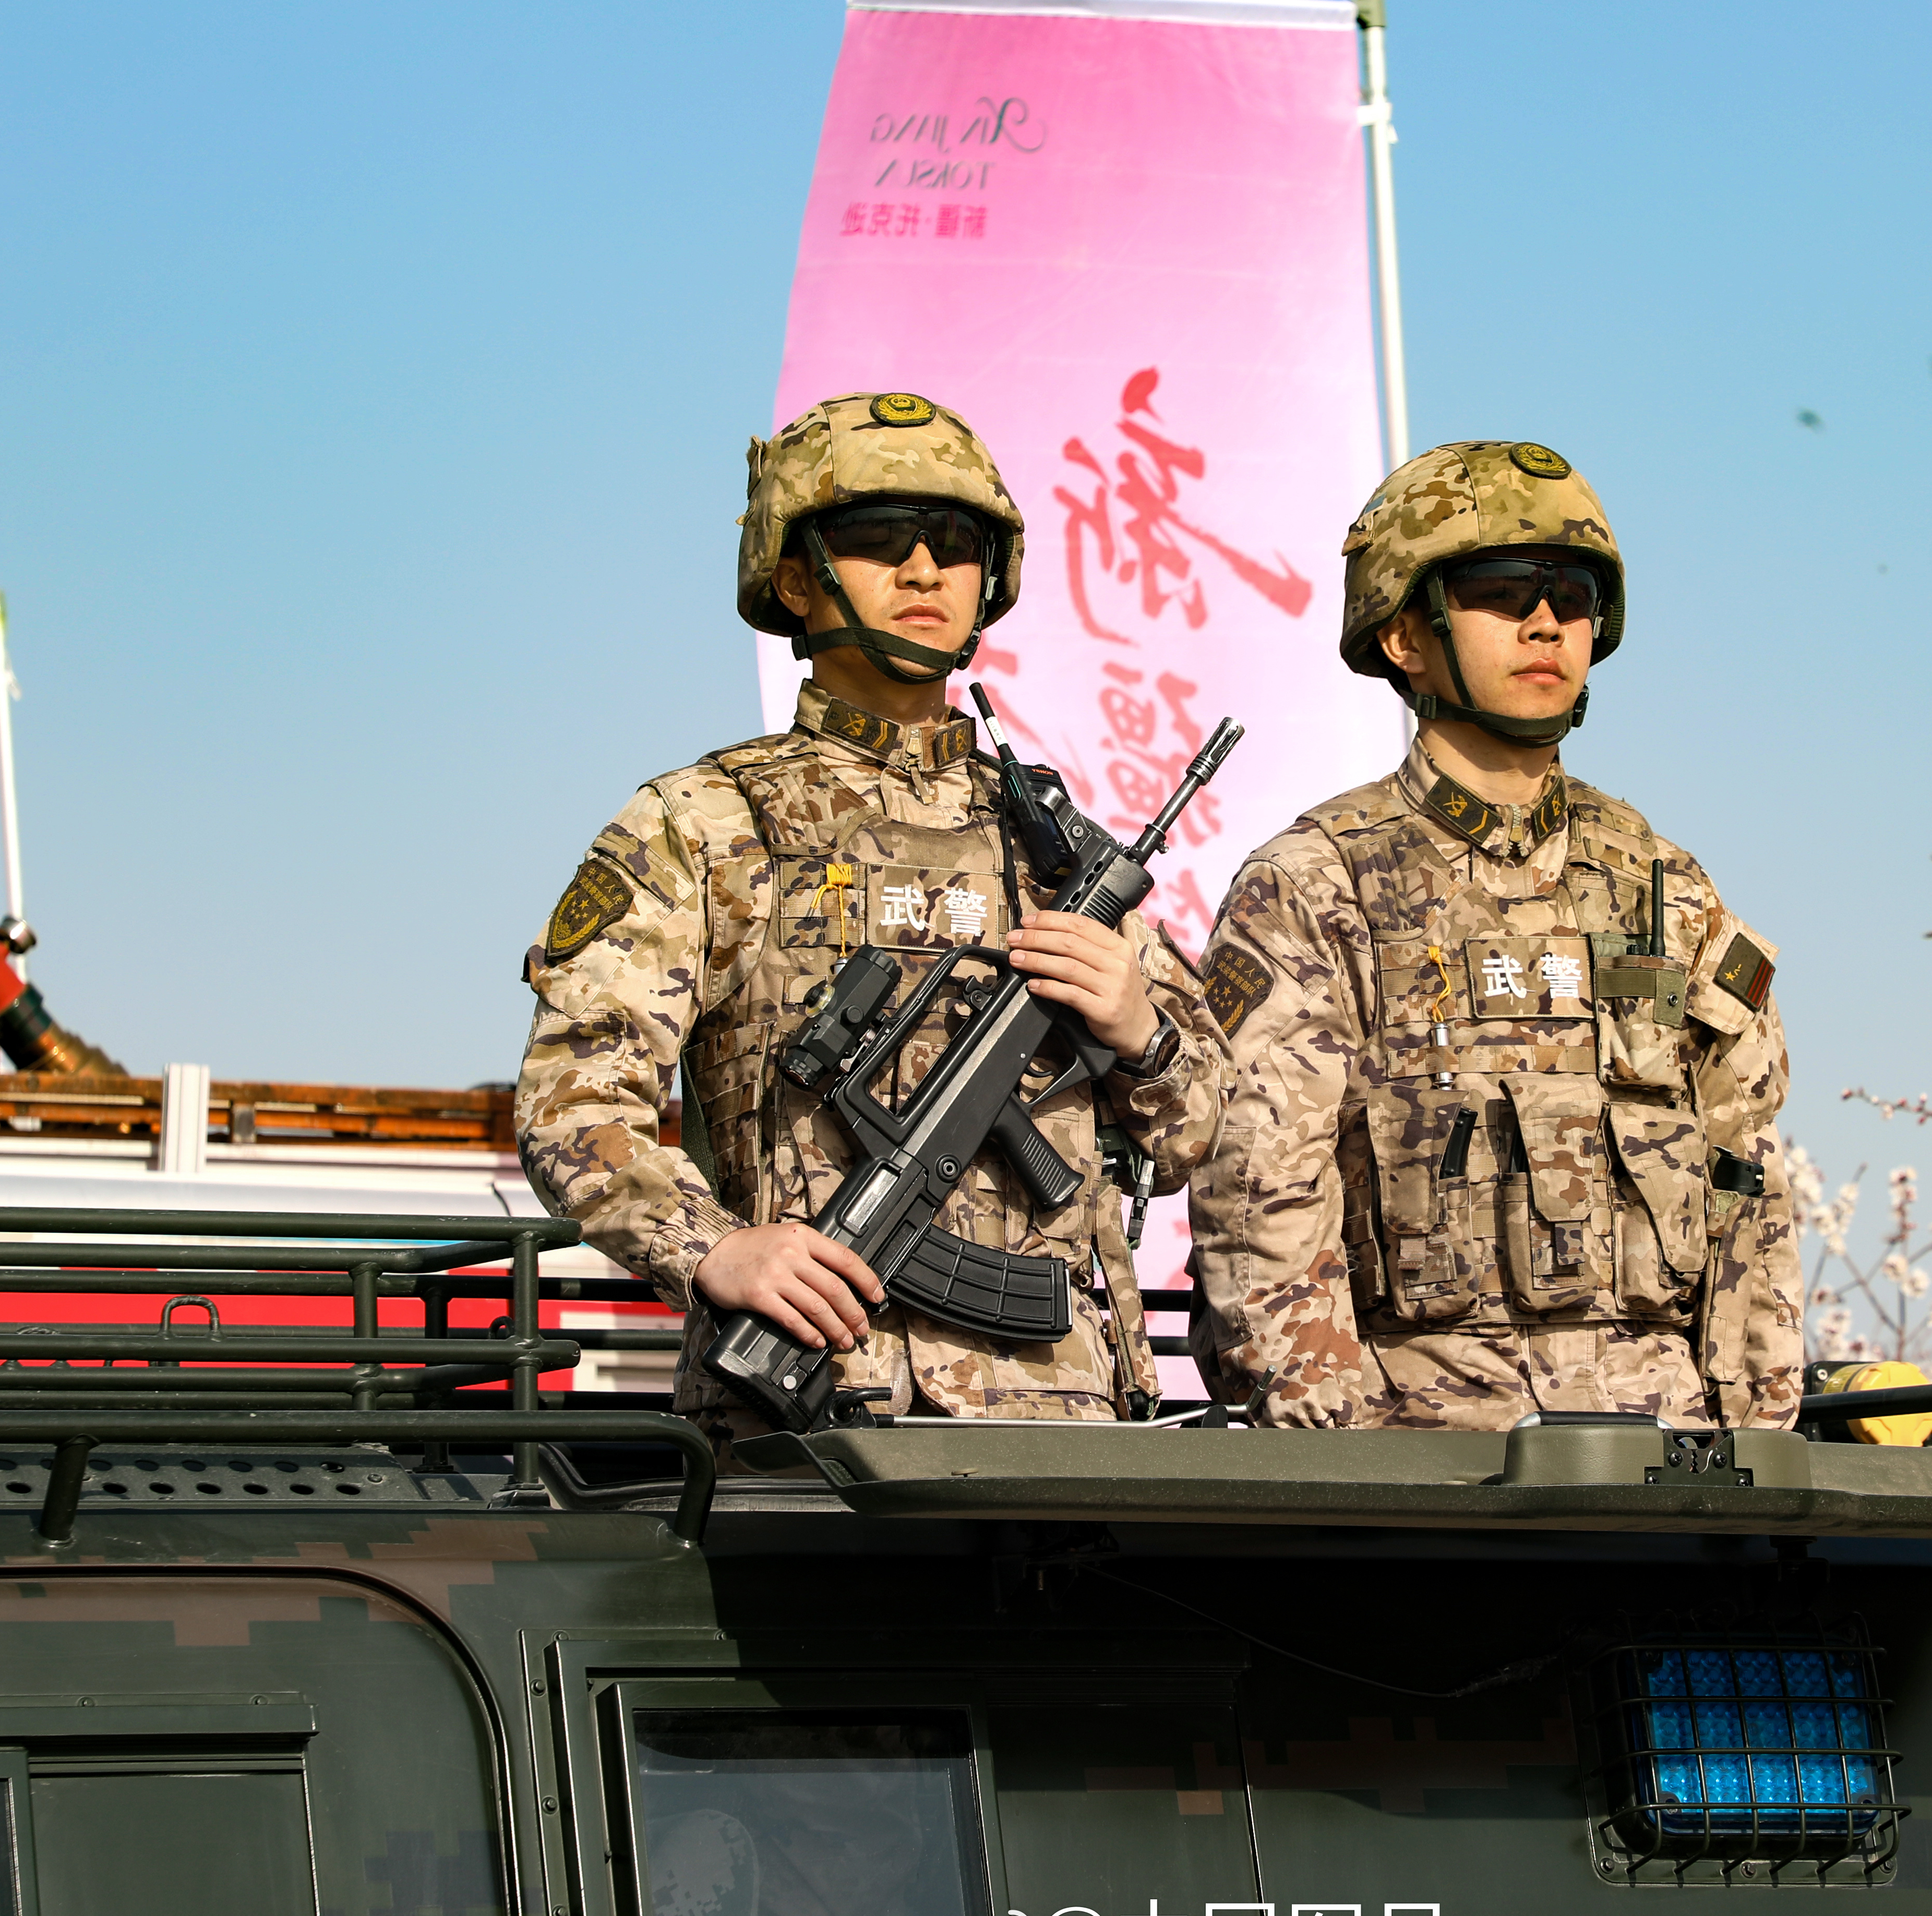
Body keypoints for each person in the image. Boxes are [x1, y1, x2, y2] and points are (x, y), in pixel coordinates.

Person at [514, 391, 1224, 1425]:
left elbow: (1209, 1129)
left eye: (957, 541)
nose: (926, 569)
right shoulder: (705, 821)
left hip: (1062, 1423)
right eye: (878, 538)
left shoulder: (1046, 842)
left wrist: (1144, 1033)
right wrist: (709, 1244)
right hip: (811, 1411)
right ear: (798, 575)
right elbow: (571, 1101)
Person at [1187, 438, 1803, 1428]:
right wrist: (1348, 1480)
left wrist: (1754, 1448)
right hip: (1429, 1481)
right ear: (1406, 637)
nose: (1548, 620)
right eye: (1502, 590)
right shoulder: (1316, 884)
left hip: (1662, 1472)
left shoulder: (1664, 891)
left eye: (1574, 594)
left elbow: (1746, 1180)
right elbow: (1261, 1200)